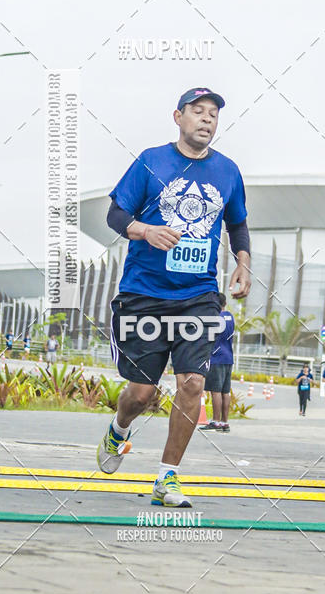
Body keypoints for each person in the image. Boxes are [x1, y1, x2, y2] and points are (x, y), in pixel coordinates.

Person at [97, 87, 251, 508]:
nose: (206, 119)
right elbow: (114, 214)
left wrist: (242, 261)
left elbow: (237, 224)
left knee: (193, 382)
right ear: (178, 117)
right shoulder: (152, 161)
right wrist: (145, 231)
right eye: (198, 112)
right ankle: (119, 428)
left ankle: (168, 478)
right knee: (140, 395)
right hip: (144, 295)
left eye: (213, 115)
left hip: (198, 296)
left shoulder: (228, 171)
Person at [200, 293, 235, 433]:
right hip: (228, 357)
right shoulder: (230, 316)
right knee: (225, 392)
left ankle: (215, 421)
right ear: (225, 303)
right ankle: (224, 422)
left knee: (215, 391)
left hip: (217, 357)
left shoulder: (215, 318)